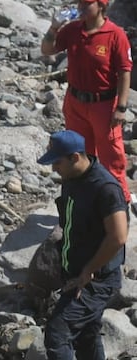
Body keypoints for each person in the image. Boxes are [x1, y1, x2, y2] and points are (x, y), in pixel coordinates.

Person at [36, 130, 127, 360]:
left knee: (58, 330)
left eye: (58, 162)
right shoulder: (72, 177)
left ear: (76, 157)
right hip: (75, 273)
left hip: (97, 279)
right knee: (87, 331)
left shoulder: (105, 188)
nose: (54, 168)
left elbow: (118, 236)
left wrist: (88, 271)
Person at [41, 0, 132, 206]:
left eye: (86, 3)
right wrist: (55, 26)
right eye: (79, 3)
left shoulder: (115, 34)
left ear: (101, 5)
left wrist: (121, 107)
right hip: (75, 102)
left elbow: (124, 72)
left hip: (103, 104)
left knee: (111, 156)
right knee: (79, 154)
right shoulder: (73, 30)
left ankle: (118, 203)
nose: (81, 7)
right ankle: (81, 199)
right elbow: (47, 50)